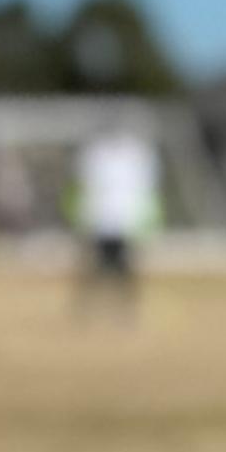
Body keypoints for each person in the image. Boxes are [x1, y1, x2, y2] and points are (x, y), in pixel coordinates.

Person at [74, 119, 158, 319]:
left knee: (124, 267)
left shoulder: (137, 154)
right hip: (101, 218)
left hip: (125, 219)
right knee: (96, 265)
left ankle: (125, 307)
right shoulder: (96, 153)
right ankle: (90, 307)